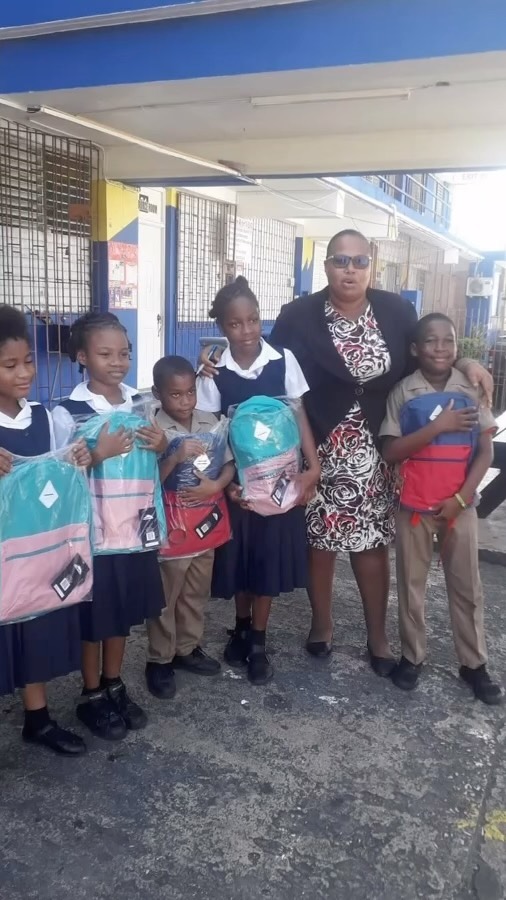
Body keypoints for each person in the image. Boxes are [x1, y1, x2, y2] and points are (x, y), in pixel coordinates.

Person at [199, 231, 493, 675]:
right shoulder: (298, 314)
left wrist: (467, 364)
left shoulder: (396, 310)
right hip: (319, 443)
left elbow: (425, 356)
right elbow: (260, 357)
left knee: (371, 543)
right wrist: (210, 354)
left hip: (378, 445)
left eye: (359, 261)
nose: (349, 269)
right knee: (321, 541)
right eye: (340, 260)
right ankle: (322, 626)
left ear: (371, 264)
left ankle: (378, 637)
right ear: (327, 266)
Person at [197, 276, 320, 685]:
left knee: (267, 559)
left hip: (281, 484)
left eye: (253, 320)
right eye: (235, 324)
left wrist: (312, 466)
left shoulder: (282, 360)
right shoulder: (214, 372)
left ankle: (258, 642)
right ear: (222, 327)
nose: (247, 331)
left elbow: (299, 413)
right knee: (241, 561)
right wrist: (225, 483)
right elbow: (212, 432)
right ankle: (242, 625)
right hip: (239, 486)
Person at [52, 312, 166, 741]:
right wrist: (96, 455)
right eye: (104, 353)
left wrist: (162, 443)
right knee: (93, 618)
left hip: (133, 534)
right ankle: (91, 693)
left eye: (124, 353)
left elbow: (154, 454)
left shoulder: (139, 403)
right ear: (82, 357)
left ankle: (114, 681)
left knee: (120, 615)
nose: (117, 362)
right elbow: (60, 474)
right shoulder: (67, 412)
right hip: (93, 537)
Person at [380, 313, 502, 704]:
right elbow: (391, 450)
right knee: (411, 587)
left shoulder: (471, 387)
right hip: (413, 507)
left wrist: (462, 500)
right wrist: (438, 425)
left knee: (467, 587)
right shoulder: (404, 391)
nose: (440, 348)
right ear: (416, 349)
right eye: (430, 342)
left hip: (459, 507)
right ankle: (412, 656)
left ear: (456, 346)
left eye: (448, 341)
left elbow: (484, 451)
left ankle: (474, 663)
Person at [0, 305, 92, 755]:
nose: (24, 373)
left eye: (29, 361)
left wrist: (78, 460)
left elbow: (63, 472)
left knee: (31, 630)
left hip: (33, 554)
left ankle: (37, 719)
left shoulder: (45, 418)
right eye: (10, 365)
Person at [145, 355, 235, 700]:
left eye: (189, 393)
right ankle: (160, 659)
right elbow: (150, 481)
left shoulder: (210, 422)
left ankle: (187, 648)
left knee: (196, 593)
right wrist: (174, 455)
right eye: (175, 395)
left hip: (204, 526)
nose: (184, 402)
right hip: (170, 529)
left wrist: (217, 486)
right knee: (166, 598)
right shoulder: (153, 430)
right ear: (158, 394)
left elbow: (228, 465)